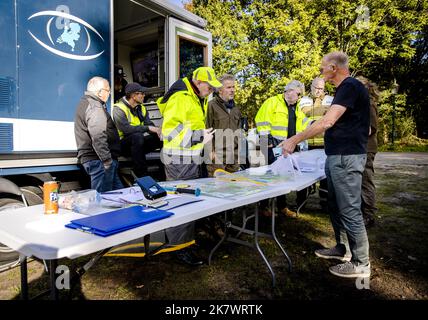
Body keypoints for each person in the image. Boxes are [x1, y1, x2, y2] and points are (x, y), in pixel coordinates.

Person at [280, 51, 371, 278]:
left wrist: (294, 139)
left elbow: (328, 121)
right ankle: (342, 248)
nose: (320, 71)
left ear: (333, 68)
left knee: (349, 208)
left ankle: (361, 263)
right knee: (335, 204)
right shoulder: (345, 89)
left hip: (346, 158)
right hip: (336, 156)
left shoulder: (350, 86)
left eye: (323, 67)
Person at [156, 66, 221, 265]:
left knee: (188, 201)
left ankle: (184, 242)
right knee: (180, 203)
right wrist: (199, 136)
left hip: (188, 157)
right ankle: (178, 247)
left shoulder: (194, 96)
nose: (211, 92)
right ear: (199, 82)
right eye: (209, 88)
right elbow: (169, 133)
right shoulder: (181, 97)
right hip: (179, 159)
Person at [255, 80, 311, 217]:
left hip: (288, 148)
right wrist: (268, 140)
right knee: (269, 177)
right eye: (299, 94)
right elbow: (261, 120)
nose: (299, 97)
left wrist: (316, 124)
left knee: (282, 177)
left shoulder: (295, 106)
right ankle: (263, 207)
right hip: (273, 146)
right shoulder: (272, 102)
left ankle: (282, 207)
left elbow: (303, 121)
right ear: (290, 91)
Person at [74, 76, 123, 192]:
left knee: (120, 194)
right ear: (100, 92)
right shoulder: (95, 106)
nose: (109, 93)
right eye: (108, 90)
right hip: (100, 161)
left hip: (98, 160)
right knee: (104, 200)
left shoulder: (85, 103)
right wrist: (107, 161)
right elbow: (98, 135)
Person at [112, 83, 162, 178]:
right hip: (122, 146)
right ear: (133, 96)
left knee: (160, 138)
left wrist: (158, 130)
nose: (144, 95)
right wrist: (148, 128)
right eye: (141, 93)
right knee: (137, 136)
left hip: (138, 144)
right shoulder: (118, 108)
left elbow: (149, 124)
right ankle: (142, 176)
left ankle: (162, 175)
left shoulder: (142, 108)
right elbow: (126, 129)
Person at [299, 77, 334, 211]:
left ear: (324, 88)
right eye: (315, 87)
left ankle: (325, 204)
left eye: (321, 88)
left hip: (325, 144)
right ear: (311, 86)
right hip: (307, 144)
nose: (318, 91)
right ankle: (301, 203)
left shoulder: (331, 100)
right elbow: (303, 117)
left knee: (325, 175)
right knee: (304, 174)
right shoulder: (303, 101)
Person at [206, 74, 243, 176]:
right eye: (228, 87)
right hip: (217, 159)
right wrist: (212, 155)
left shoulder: (236, 109)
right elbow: (206, 131)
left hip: (233, 159)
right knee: (218, 189)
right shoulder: (211, 106)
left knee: (233, 188)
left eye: (233, 87)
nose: (232, 90)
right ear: (220, 90)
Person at [356, 76, 380, 228]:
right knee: (359, 182)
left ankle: (369, 216)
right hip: (359, 148)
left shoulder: (369, 105)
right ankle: (362, 213)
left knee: (365, 181)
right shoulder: (362, 104)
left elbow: (369, 129)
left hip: (366, 148)